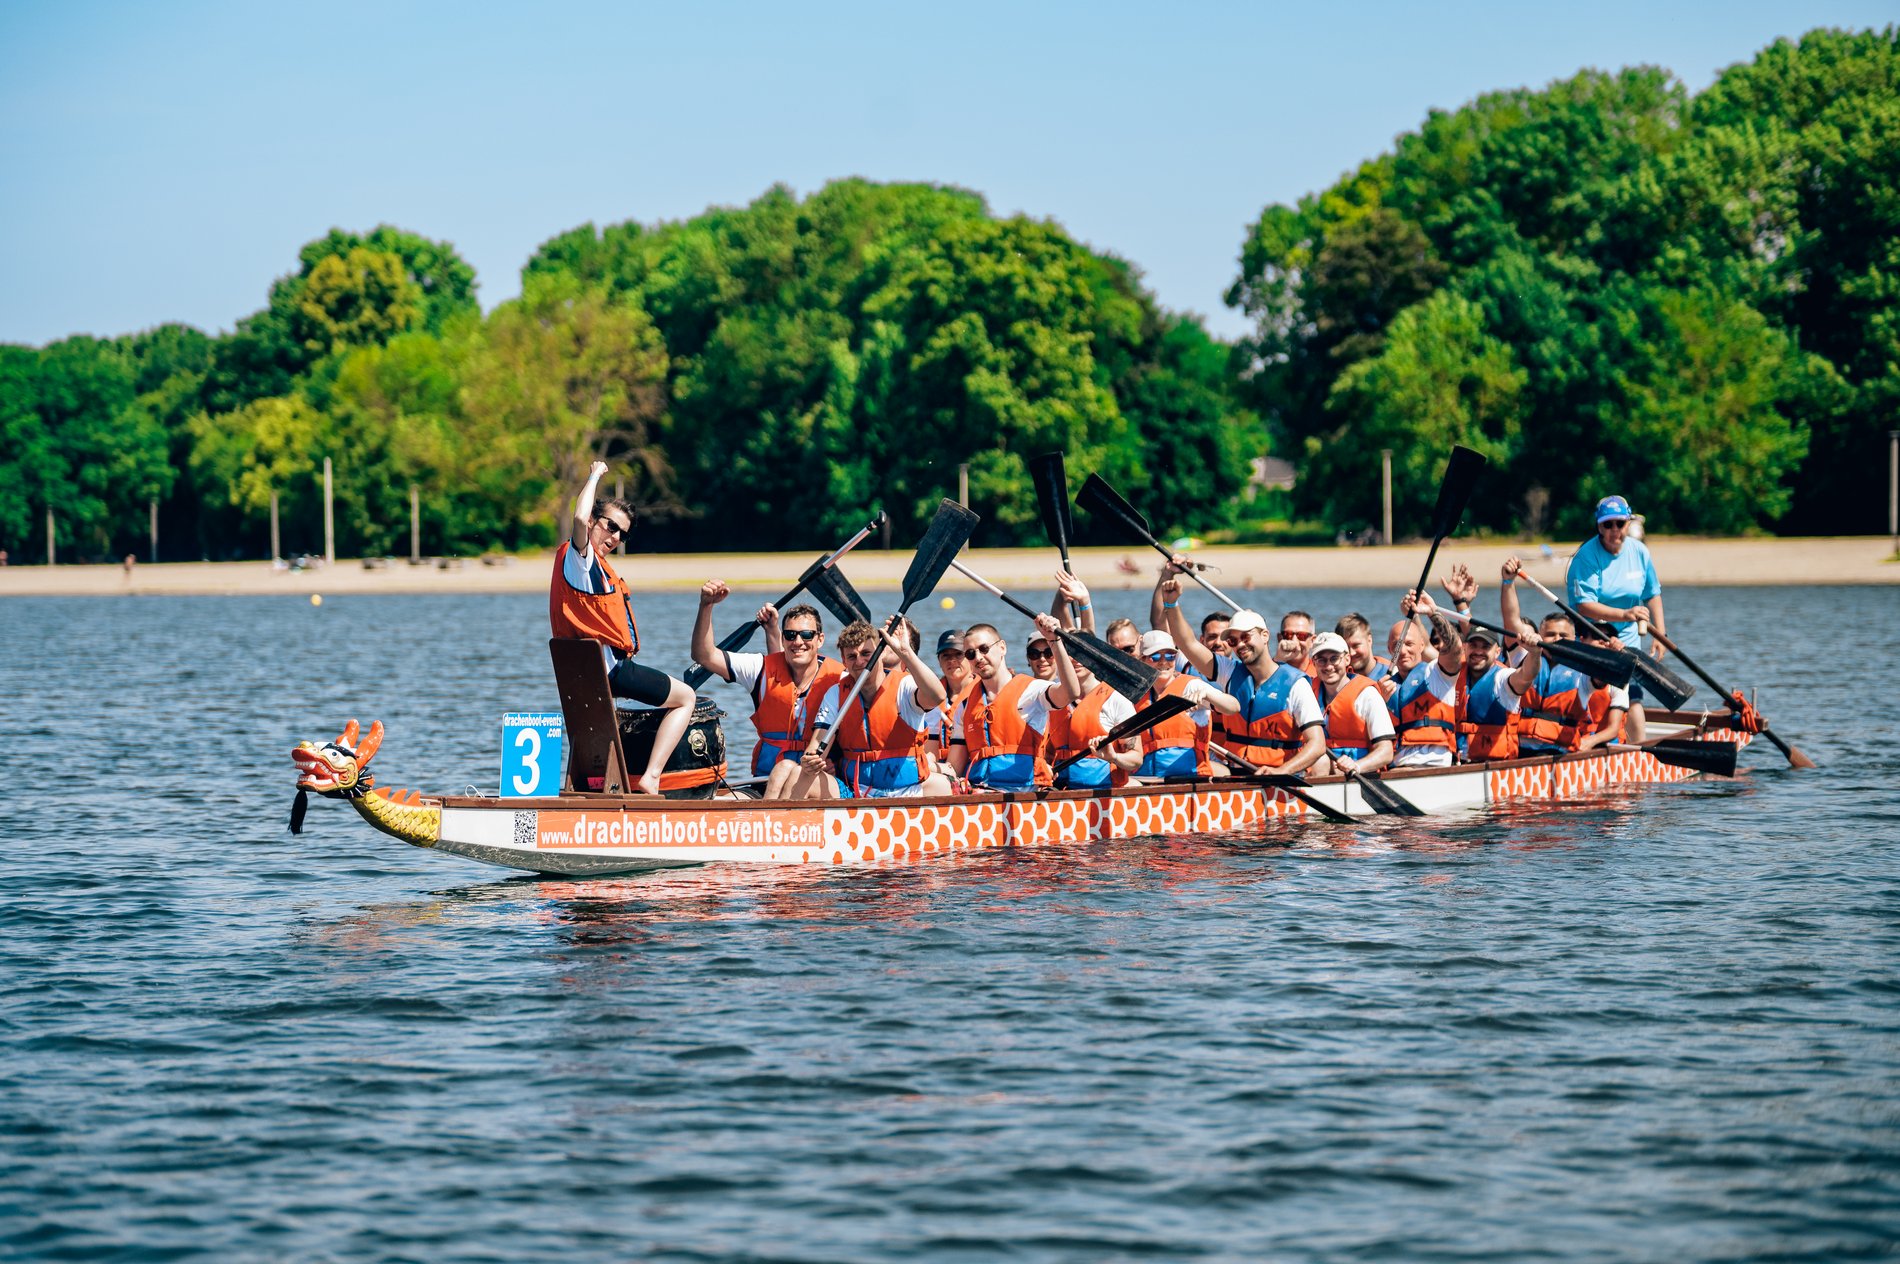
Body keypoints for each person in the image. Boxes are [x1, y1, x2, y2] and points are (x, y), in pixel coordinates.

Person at [549, 461, 696, 795]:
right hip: (610, 673)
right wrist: (594, 475)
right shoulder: (581, 560)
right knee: (686, 698)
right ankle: (652, 777)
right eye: (611, 526)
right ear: (593, 521)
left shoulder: (592, 566)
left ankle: (598, 785)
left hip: (584, 676)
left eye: (622, 534)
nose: (614, 537)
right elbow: (577, 518)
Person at [1160, 575, 1327, 776]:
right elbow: (1188, 644)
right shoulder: (1229, 672)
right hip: (1236, 775)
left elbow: (1317, 744)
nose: (1240, 645)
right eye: (1233, 641)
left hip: (1281, 778)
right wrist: (1171, 604)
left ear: (1265, 636)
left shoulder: (1296, 684)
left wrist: (1282, 771)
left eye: (1246, 637)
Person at [691, 582, 845, 779]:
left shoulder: (840, 678)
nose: (798, 642)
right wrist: (706, 605)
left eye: (807, 635)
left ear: (820, 639)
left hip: (816, 780)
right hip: (766, 780)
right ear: (783, 640)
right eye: (790, 635)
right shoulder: (760, 669)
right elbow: (704, 655)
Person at [786, 618, 952, 799]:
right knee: (800, 773)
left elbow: (937, 696)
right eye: (852, 656)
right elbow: (817, 745)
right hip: (856, 792)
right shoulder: (836, 694)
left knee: (943, 785)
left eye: (866, 653)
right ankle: (781, 816)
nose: (860, 661)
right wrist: (810, 760)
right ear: (844, 661)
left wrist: (905, 652)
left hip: (909, 790)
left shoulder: (904, 686)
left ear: (880, 654)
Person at [1567, 494, 1664, 742]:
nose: (1614, 530)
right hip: (1594, 639)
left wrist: (1660, 634)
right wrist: (1625, 614)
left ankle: (1638, 750)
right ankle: (1586, 740)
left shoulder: (1639, 552)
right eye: (1607, 524)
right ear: (1599, 526)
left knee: (1633, 699)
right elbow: (1584, 606)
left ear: (1628, 523)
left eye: (1619, 523)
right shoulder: (1586, 557)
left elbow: (1652, 594)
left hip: (1628, 640)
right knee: (1595, 696)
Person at [949, 616, 1078, 791]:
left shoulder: (1031, 691)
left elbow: (1070, 692)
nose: (978, 657)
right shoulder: (964, 707)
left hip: (1025, 793)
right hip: (981, 793)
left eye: (984, 649)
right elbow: (954, 767)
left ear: (1002, 647)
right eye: (971, 654)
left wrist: (1054, 641)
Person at [1499, 557, 1590, 754]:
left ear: (1574, 639)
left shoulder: (1584, 671)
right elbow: (1511, 620)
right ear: (1540, 636)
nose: (1556, 639)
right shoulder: (1524, 655)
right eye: (1550, 634)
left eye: (1563, 635)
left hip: (1560, 752)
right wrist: (1508, 582)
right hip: (1520, 749)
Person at [1130, 629, 1239, 779]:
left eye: (1170, 656)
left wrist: (1208, 694)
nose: (1163, 662)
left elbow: (1234, 707)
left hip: (1189, 779)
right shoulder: (1138, 695)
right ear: (1142, 660)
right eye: (1155, 656)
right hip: (1147, 779)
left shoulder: (1192, 686)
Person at [1388, 592, 1465, 768]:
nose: (1403, 651)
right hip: (1397, 767)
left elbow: (1454, 648)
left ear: (1422, 645)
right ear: (1389, 649)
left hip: (1434, 766)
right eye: (1397, 645)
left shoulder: (1437, 674)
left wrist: (1432, 612)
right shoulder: (1384, 685)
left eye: (1409, 644)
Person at [1307, 631, 1395, 777]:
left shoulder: (1368, 695)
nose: (1328, 666)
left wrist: (1357, 766)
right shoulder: (1308, 693)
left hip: (1359, 771)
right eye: (1321, 660)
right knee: (1320, 761)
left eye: (1334, 659)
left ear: (1347, 659)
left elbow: (1386, 752)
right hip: (1320, 767)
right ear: (1314, 663)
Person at [1454, 619, 1543, 763]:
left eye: (1485, 647)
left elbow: (1526, 676)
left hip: (1495, 765)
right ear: (1465, 648)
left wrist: (1534, 653)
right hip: (1457, 760)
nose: (1478, 651)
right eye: (1473, 645)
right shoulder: (1454, 673)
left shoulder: (1502, 678)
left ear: (1497, 652)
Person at [1335, 613, 1396, 688]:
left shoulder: (1393, 674)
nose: (1351, 653)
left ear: (1369, 640)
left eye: (1356, 645)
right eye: (1346, 647)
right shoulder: (1337, 678)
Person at [1275, 610, 1317, 676]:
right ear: (1279, 638)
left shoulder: (1321, 675)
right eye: (1288, 635)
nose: (1294, 641)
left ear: (1312, 640)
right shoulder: (1265, 673)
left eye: (1301, 636)